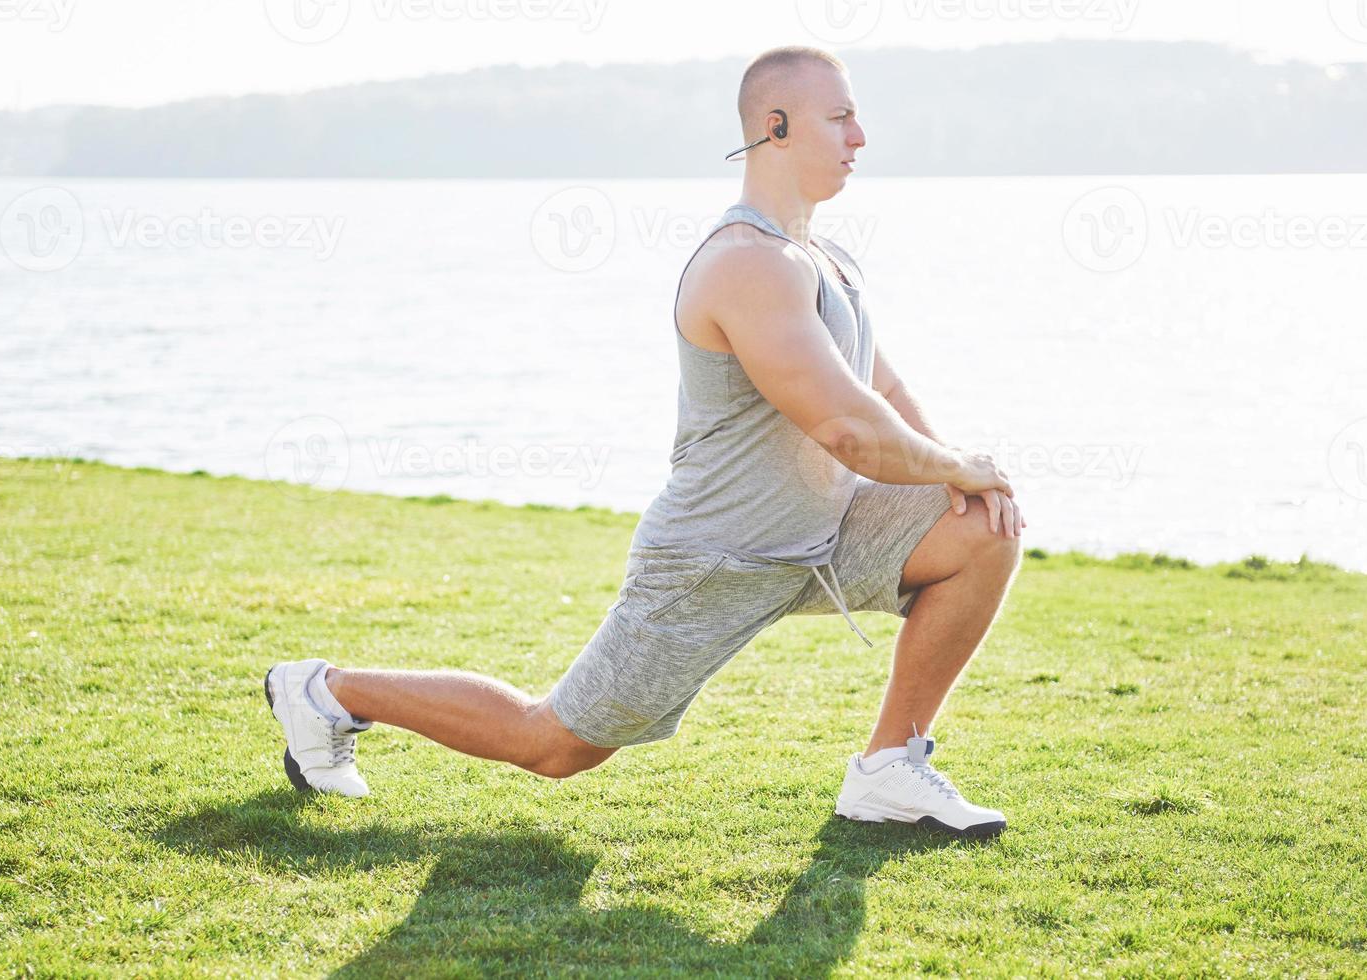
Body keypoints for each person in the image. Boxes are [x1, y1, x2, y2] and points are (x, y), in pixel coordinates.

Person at [263, 45, 1025, 838]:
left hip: (820, 537)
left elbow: (880, 390)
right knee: (551, 744)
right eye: (839, 117)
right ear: (775, 126)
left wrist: (953, 480)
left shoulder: (825, 258)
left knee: (982, 528)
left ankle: (887, 772)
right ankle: (325, 691)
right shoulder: (746, 264)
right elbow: (846, 430)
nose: (860, 136)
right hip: (712, 561)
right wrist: (958, 463)